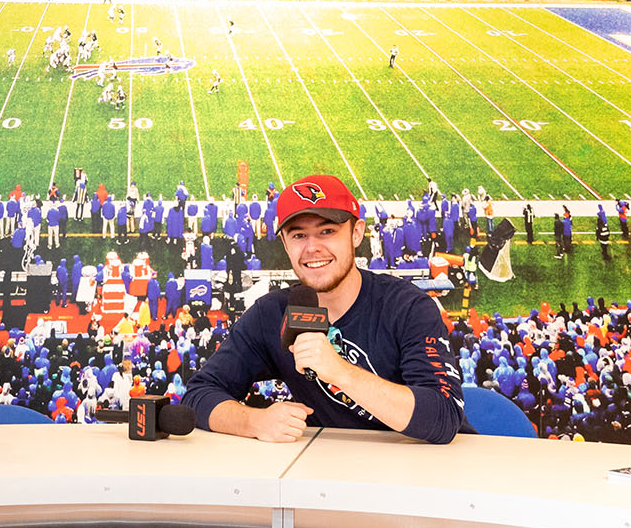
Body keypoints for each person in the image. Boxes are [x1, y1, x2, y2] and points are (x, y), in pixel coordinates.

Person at [180, 175, 463, 444]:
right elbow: (199, 394)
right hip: (326, 467)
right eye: (298, 235)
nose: (312, 248)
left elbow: (443, 415)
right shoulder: (271, 313)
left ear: (356, 233)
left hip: (424, 466)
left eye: (327, 231)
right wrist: (254, 422)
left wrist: (339, 371)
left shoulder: (408, 307)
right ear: (285, 244)